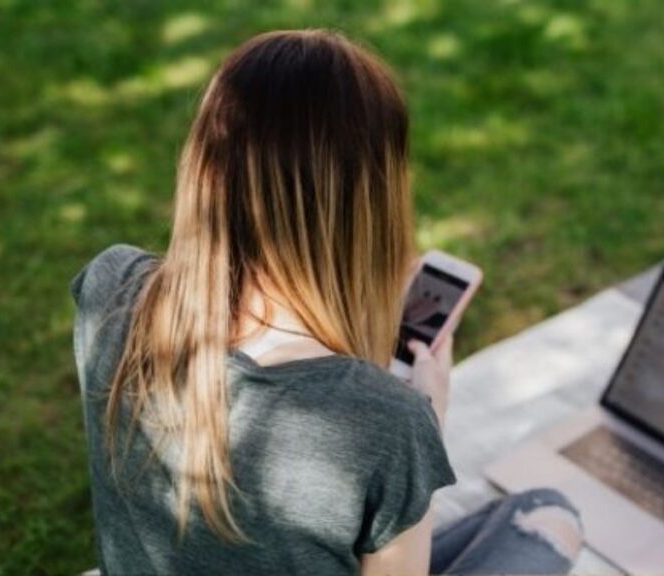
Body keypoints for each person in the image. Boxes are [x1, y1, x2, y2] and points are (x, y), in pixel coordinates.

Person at [69, 30, 584, 575]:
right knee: (548, 517)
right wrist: (426, 421)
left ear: (206, 166)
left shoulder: (109, 287)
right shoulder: (386, 422)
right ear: (370, 200)